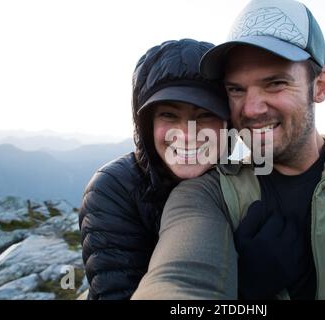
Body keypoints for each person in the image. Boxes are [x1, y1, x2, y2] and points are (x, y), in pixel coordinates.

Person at [131, 0, 325, 300]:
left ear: (320, 85)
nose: (252, 109)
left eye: (275, 83)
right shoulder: (208, 194)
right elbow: (179, 279)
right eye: (236, 89)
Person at [78, 39, 229, 299]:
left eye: (205, 115)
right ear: (145, 125)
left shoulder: (242, 181)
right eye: (169, 115)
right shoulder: (114, 189)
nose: (187, 134)